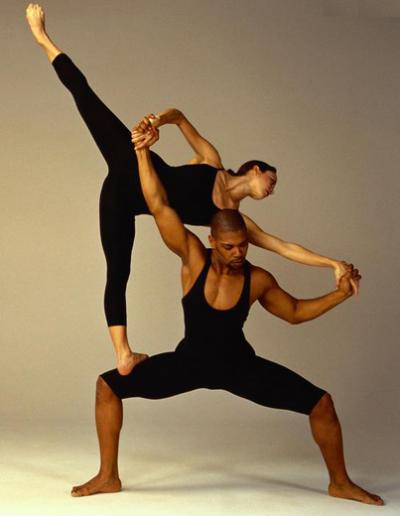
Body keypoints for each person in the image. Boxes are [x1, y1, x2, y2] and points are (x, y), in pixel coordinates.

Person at [26, 4, 354, 376]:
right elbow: (179, 116)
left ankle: (122, 355)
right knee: (86, 96)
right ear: (256, 169)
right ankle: (42, 37)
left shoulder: (230, 221)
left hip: (124, 201)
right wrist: (156, 121)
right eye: (271, 181)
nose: (272, 189)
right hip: (137, 161)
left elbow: (283, 247)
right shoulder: (212, 161)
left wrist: (331, 263)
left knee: (118, 271)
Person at [69, 136, 383, 505]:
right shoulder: (192, 259)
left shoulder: (258, 279)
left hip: (239, 367)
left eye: (243, 246)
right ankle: (108, 476)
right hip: (188, 364)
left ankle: (340, 483)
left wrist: (339, 294)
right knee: (107, 386)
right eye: (229, 246)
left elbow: (295, 313)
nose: (237, 254)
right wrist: (141, 153)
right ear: (212, 239)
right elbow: (158, 204)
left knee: (322, 404)